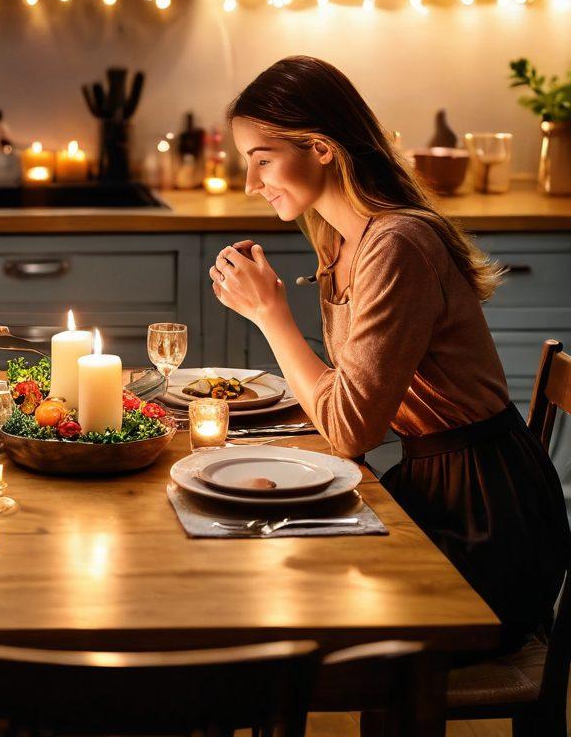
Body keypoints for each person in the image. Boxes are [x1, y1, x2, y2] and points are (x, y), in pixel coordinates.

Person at [209, 55, 569, 649]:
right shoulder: (343, 243)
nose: (252, 185)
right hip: (434, 491)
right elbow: (347, 404)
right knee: (257, 564)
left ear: (321, 147)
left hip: (482, 525)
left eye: (262, 160)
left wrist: (268, 315)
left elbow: (349, 431)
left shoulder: (396, 244)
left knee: (271, 604)